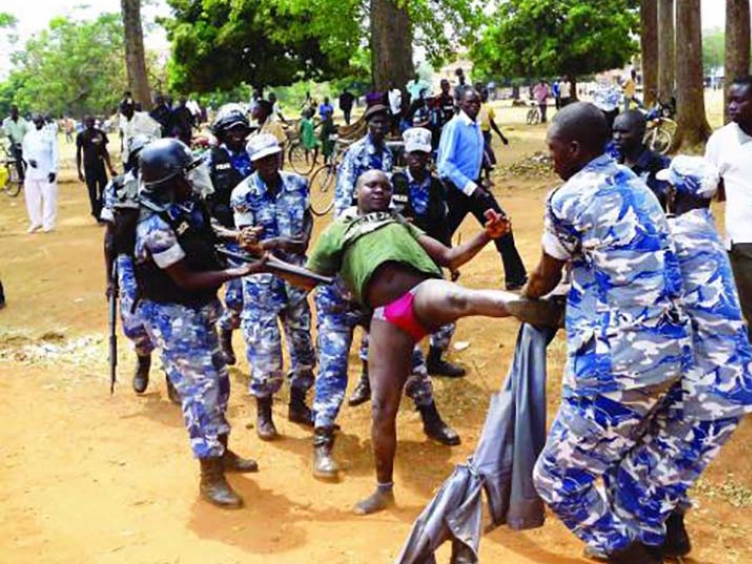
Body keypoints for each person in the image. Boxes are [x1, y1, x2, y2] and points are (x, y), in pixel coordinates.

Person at [249, 169, 559, 515]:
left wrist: (487, 234)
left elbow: (451, 257)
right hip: (386, 318)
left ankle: (528, 305)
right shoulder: (339, 230)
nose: (380, 190)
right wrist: (270, 264)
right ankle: (383, 488)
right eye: (372, 185)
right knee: (383, 407)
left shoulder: (401, 224)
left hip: (422, 294)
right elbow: (308, 280)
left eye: (385, 186)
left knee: (461, 298)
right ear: (356, 192)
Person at [522, 102, 692, 564]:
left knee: (557, 479)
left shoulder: (568, 199)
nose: (551, 161)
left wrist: (525, 297)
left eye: (554, 151)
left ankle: (633, 555)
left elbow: (543, 278)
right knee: (632, 451)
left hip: (616, 366)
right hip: (671, 354)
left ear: (575, 149)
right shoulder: (636, 184)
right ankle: (669, 536)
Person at [615, 156, 752, 560]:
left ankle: (646, 549)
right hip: (729, 378)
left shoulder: (673, 237)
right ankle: (674, 534)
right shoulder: (708, 232)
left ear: (672, 193)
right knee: (670, 458)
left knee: (638, 472)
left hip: (707, 386)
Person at [133, 138, 263, 509]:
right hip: (173, 317)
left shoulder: (184, 204)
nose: (192, 178)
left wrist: (236, 236)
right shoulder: (153, 226)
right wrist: (240, 271)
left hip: (200, 309)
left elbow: (204, 230)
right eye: (185, 174)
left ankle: (220, 450)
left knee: (219, 384)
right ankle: (210, 475)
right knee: (201, 391)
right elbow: (186, 279)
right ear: (168, 181)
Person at [230, 134, 316, 440]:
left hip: (295, 279)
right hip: (261, 284)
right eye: (262, 159)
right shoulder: (243, 194)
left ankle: (298, 404)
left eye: (274, 156)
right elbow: (248, 243)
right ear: (253, 163)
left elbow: (307, 219)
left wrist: (300, 240)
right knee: (264, 350)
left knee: (302, 344)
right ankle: (264, 413)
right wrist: (279, 243)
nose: (270, 163)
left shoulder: (297, 184)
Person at [101, 135, 174, 399]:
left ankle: (172, 373)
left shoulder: (166, 182)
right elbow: (110, 236)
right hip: (128, 259)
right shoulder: (118, 186)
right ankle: (143, 358)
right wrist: (110, 280)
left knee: (167, 316)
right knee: (133, 323)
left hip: (162, 257)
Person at [391, 127, 466, 378]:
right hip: (399, 260)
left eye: (422, 154)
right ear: (405, 155)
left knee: (447, 309)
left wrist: (451, 261)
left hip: (430, 258)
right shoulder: (393, 183)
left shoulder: (438, 186)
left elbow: (443, 225)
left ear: (428, 156)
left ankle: (435, 359)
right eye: (413, 153)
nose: (417, 159)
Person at [437, 88, 527, 290]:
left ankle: (516, 277)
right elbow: (445, 165)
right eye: (469, 102)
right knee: (441, 235)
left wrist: (483, 170)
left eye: (477, 102)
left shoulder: (476, 125)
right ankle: (423, 277)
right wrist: (470, 187)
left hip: (475, 187)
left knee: (500, 224)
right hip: (456, 190)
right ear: (459, 103)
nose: (474, 106)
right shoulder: (454, 126)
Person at [205, 105, 255, 366]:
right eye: (232, 130)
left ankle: (232, 329)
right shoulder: (211, 159)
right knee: (234, 295)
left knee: (251, 294)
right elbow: (202, 198)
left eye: (241, 129)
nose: (238, 134)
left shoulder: (254, 154)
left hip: (252, 234)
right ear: (222, 133)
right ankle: (224, 330)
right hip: (224, 235)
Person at [705, 75, 752, 337]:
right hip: (743, 242)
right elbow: (709, 188)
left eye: (739, 101)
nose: (731, 106)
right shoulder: (720, 141)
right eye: (729, 100)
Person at [612, 110, 670, 210]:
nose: (616, 137)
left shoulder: (660, 166)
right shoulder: (612, 165)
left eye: (624, 132)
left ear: (641, 133)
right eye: (614, 131)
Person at [22, 114, 59, 233]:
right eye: (35, 121)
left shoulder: (50, 134)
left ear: (43, 122)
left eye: (39, 121)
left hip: (47, 171)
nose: (37, 123)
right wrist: (29, 160)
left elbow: (55, 153)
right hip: (32, 172)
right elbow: (25, 152)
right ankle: (36, 221)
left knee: (49, 199)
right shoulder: (28, 136)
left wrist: (54, 170)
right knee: (32, 198)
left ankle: (48, 224)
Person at [77, 116, 117, 222]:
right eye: (87, 121)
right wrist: (79, 171)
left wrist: (110, 167)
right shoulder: (81, 135)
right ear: (84, 123)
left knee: (104, 189)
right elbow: (78, 153)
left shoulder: (100, 134)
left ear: (94, 122)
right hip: (88, 166)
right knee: (92, 191)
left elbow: (105, 151)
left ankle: (100, 209)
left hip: (100, 165)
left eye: (91, 121)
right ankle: (96, 212)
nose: (89, 123)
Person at [478, 88, 509, 186]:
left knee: (487, 154)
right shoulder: (475, 107)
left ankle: (487, 178)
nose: (484, 95)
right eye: (483, 93)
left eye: (486, 94)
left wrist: (501, 136)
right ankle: (478, 177)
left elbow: (492, 123)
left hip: (486, 133)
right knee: (479, 155)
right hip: (477, 133)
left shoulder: (488, 108)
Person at [120, 100, 162, 169]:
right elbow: (124, 136)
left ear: (132, 107)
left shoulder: (143, 117)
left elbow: (157, 130)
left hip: (143, 152)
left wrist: (155, 145)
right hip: (128, 153)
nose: (123, 110)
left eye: (126, 107)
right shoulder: (123, 121)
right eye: (122, 108)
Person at [250, 100, 287, 168]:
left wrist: (280, 166)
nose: (253, 111)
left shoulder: (275, 126)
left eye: (256, 108)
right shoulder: (252, 126)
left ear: (264, 111)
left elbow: (281, 147)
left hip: (270, 165)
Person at [3, 105, 29, 183]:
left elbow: (27, 131)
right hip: (12, 144)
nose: (14, 114)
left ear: (18, 112)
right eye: (12, 112)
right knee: (18, 160)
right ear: (10, 113)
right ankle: (21, 177)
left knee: (26, 160)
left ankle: (28, 176)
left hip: (23, 143)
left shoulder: (22, 120)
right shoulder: (6, 121)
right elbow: (8, 134)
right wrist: (15, 144)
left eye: (15, 112)